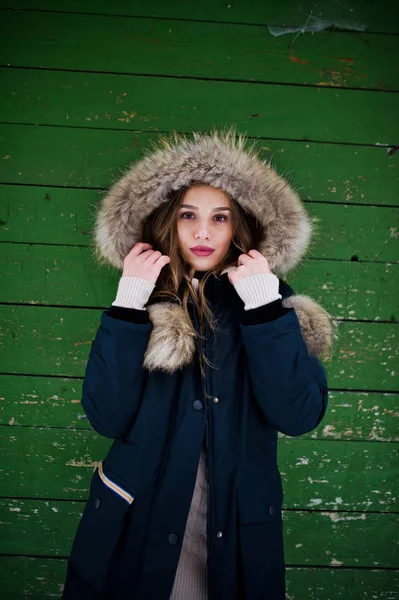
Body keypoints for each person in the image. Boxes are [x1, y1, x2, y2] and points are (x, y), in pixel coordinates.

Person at [61, 127, 336, 600]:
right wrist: (128, 306)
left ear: (240, 225)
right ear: (166, 219)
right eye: (188, 214)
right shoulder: (139, 299)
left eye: (220, 217)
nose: (203, 232)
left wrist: (266, 310)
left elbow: (299, 414)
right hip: (134, 525)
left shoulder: (270, 303)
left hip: (233, 532)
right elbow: (107, 416)